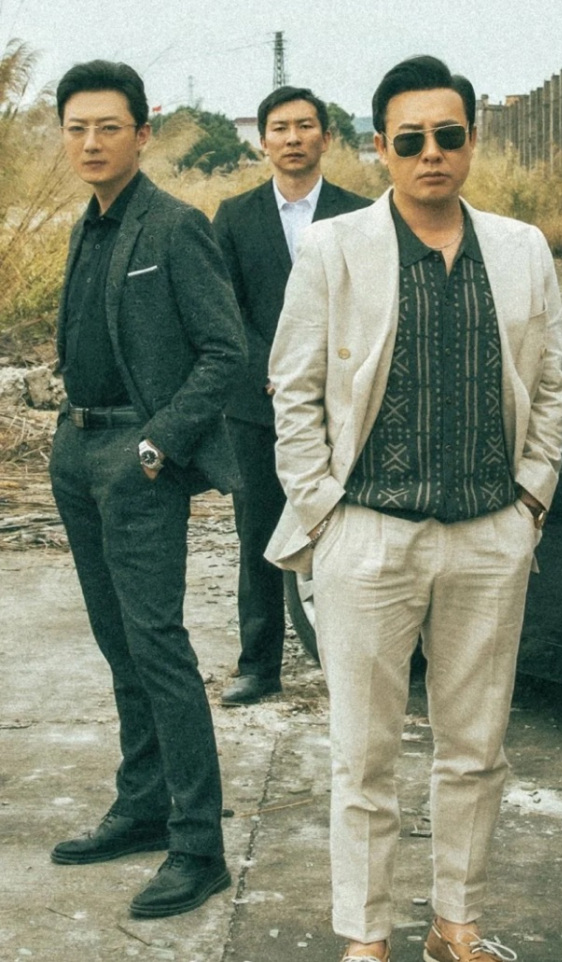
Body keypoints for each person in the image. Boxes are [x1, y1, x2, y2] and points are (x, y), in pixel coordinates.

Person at [265, 55, 562, 962]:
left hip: (488, 532)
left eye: (447, 135)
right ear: (380, 148)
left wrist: (530, 498)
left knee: (475, 749)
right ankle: (367, 937)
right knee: (363, 755)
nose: (430, 153)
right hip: (369, 533)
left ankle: (455, 925)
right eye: (410, 140)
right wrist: (324, 512)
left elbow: (551, 383)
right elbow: (294, 390)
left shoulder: (522, 248)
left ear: (472, 140)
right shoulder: (335, 248)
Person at [48, 60, 246, 919]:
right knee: (118, 644)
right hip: (78, 450)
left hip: (137, 456)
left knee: (158, 647)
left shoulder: (174, 225)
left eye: (108, 127)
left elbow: (225, 351)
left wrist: (158, 442)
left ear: (142, 133)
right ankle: (142, 806)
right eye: (77, 128)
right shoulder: (87, 225)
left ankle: (198, 846)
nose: (91, 142)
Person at [213, 86, 371, 707]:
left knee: (345, 532)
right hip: (256, 406)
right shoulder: (234, 216)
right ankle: (259, 666)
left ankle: (351, 661)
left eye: (305, 126)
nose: (293, 138)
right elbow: (223, 309)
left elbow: (368, 307)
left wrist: (322, 377)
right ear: (263, 141)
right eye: (280, 128)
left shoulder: (361, 214)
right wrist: (276, 373)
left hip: (340, 405)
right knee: (257, 533)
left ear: (326, 137)